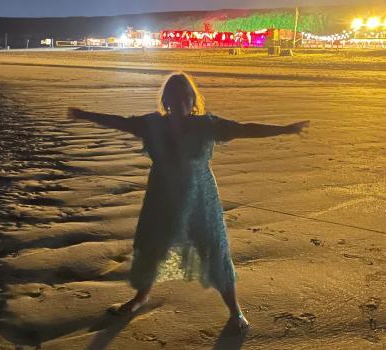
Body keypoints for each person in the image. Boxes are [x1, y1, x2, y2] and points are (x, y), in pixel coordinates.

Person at [68, 72, 309, 333]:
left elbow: (243, 128)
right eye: (173, 96)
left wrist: (285, 129)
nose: (179, 100)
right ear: (166, 100)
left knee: (214, 251)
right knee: (153, 247)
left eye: (184, 96)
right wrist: (85, 115)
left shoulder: (206, 125)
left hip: (199, 199)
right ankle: (140, 298)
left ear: (192, 100)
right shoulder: (152, 124)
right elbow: (121, 122)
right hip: (161, 198)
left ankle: (235, 311)